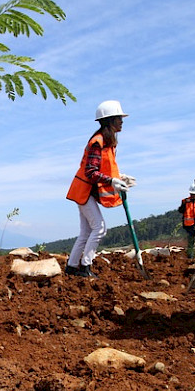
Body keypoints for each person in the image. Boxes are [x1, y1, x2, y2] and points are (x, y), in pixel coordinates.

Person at [65, 100, 136, 277]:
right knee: (100, 228)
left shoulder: (107, 142)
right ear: (109, 120)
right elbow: (91, 171)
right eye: (119, 118)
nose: (122, 121)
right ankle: (85, 266)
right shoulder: (98, 142)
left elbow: (106, 167)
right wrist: (111, 181)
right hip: (84, 190)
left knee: (86, 232)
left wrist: (119, 177)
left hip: (84, 191)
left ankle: (72, 267)